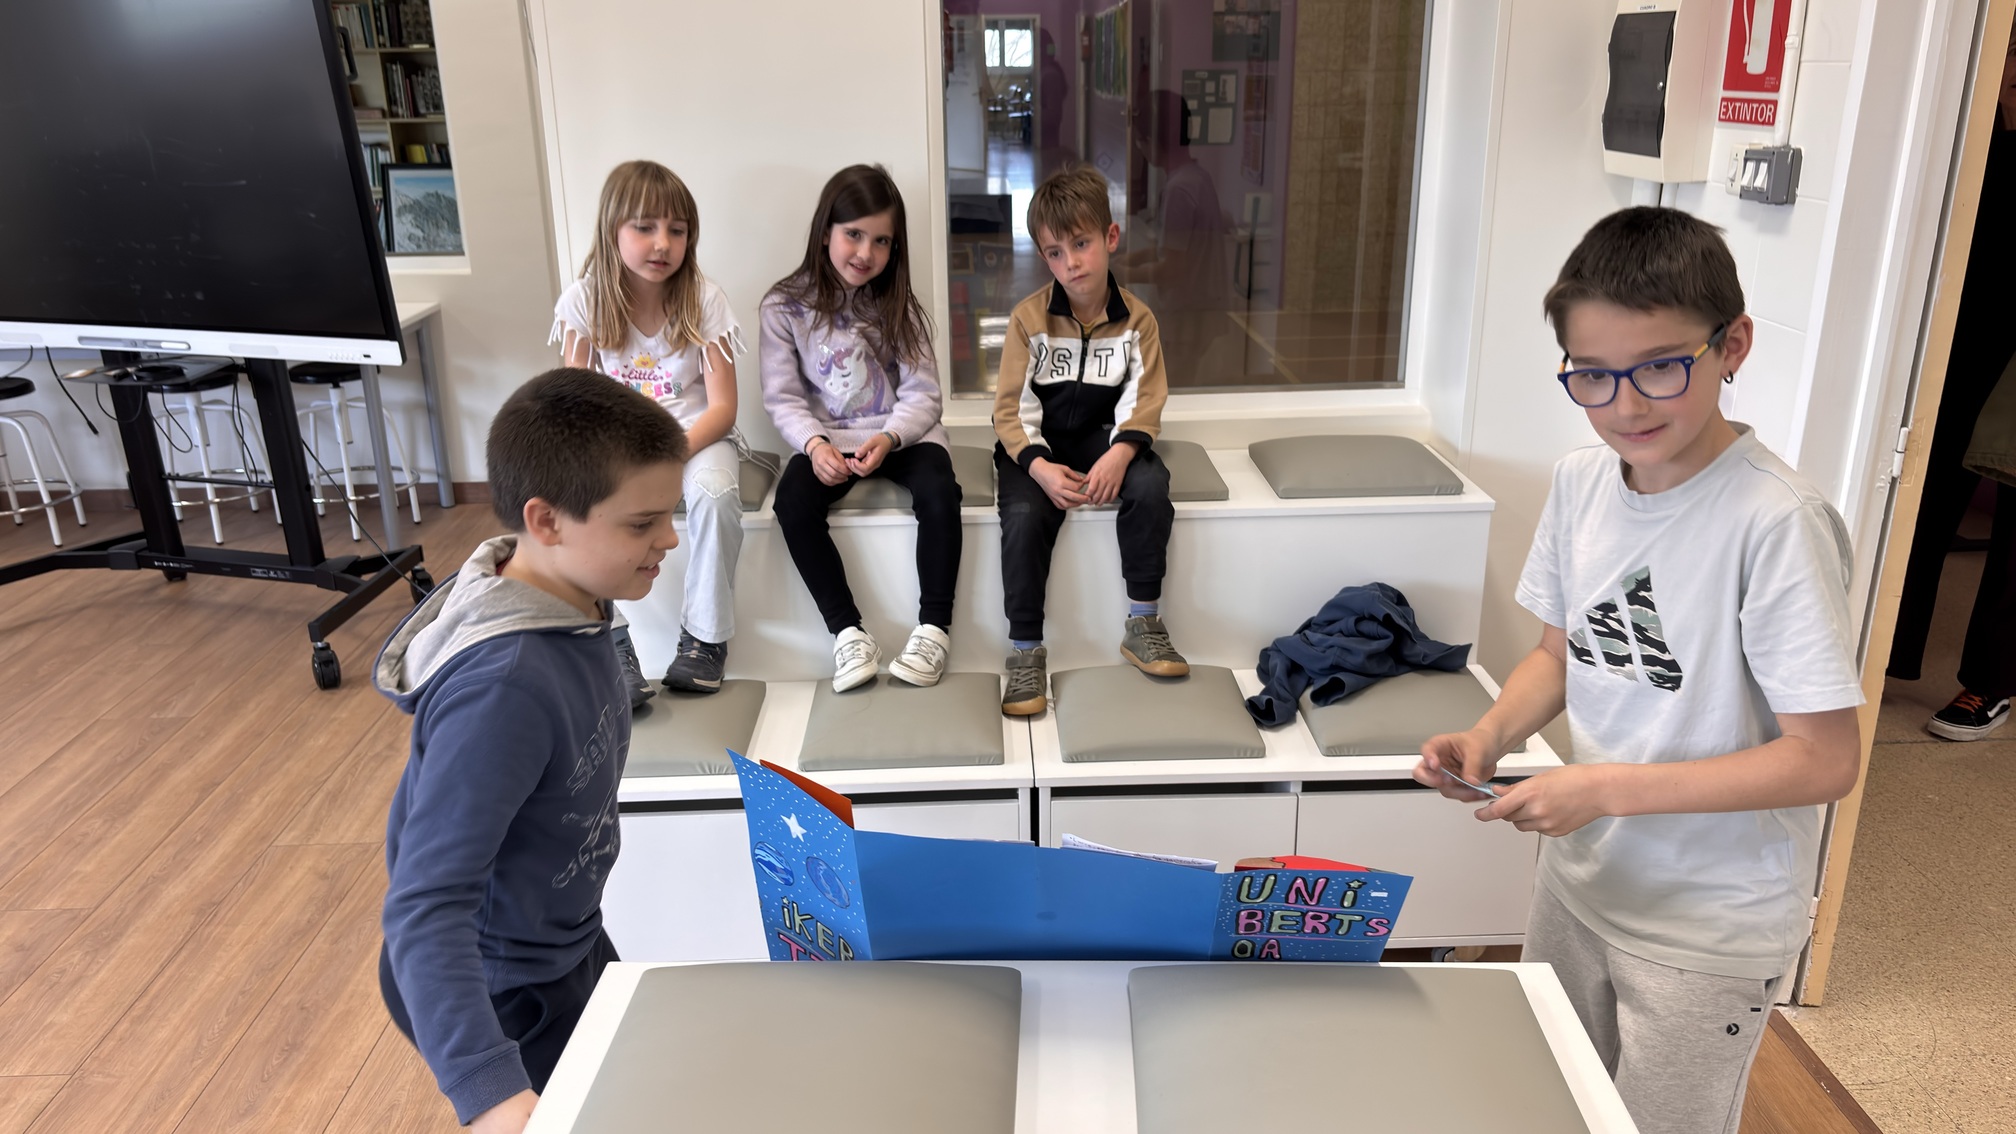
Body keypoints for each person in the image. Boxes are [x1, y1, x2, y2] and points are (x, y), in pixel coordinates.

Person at [1411, 207, 1864, 1134]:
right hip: (1580, 884)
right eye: (1592, 374)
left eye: (1660, 366)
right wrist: (1489, 735)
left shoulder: (1776, 522)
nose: (1625, 405)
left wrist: (1606, 788)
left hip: (1708, 926)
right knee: (1551, 1102)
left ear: (1732, 345)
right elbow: (1560, 655)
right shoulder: (1582, 482)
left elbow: (1825, 760)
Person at [374, 369, 688, 1134]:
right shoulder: (505, 686)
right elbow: (425, 904)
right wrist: (490, 1092)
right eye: (642, 523)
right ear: (545, 521)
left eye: (670, 515)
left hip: (567, 939)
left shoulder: (575, 595)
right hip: (502, 986)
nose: (670, 539)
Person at [992, 164, 1185, 717]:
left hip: (1106, 442)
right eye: (1055, 252)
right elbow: (1009, 410)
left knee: (1151, 486)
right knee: (1023, 518)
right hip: (1036, 450)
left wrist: (1121, 454)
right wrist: (1038, 466)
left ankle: (1143, 622)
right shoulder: (1028, 320)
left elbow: (1146, 398)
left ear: (1110, 237)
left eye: (1081, 244)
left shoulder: (1138, 321)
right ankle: (1025, 652)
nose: (1071, 263)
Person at [550, 159, 745, 704]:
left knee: (716, 493)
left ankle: (704, 640)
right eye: (644, 227)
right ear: (612, 230)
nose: (662, 243)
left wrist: (668, 454)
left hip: (696, 440)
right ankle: (610, 641)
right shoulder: (583, 302)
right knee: (580, 499)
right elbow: (574, 401)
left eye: (677, 231)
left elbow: (723, 407)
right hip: (618, 445)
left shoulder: (706, 300)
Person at [761, 164, 962, 692]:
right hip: (827, 438)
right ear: (826, 229)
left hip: (900, 435)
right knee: (792, 502)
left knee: (940, 489)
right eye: (853, 234)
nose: (865, 253)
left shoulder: (899, 306)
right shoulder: (783, 307)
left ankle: (934, 629)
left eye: (881, 241)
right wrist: (814, 444)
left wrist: (891, 437)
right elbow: (782, 398)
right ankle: (847, 633)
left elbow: (924, 393)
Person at [1885, 35, 2016, 741]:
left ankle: (1992, 680)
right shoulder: (1979, 124)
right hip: (1972, 313)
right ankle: (1887, 646)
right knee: (1927, 472)